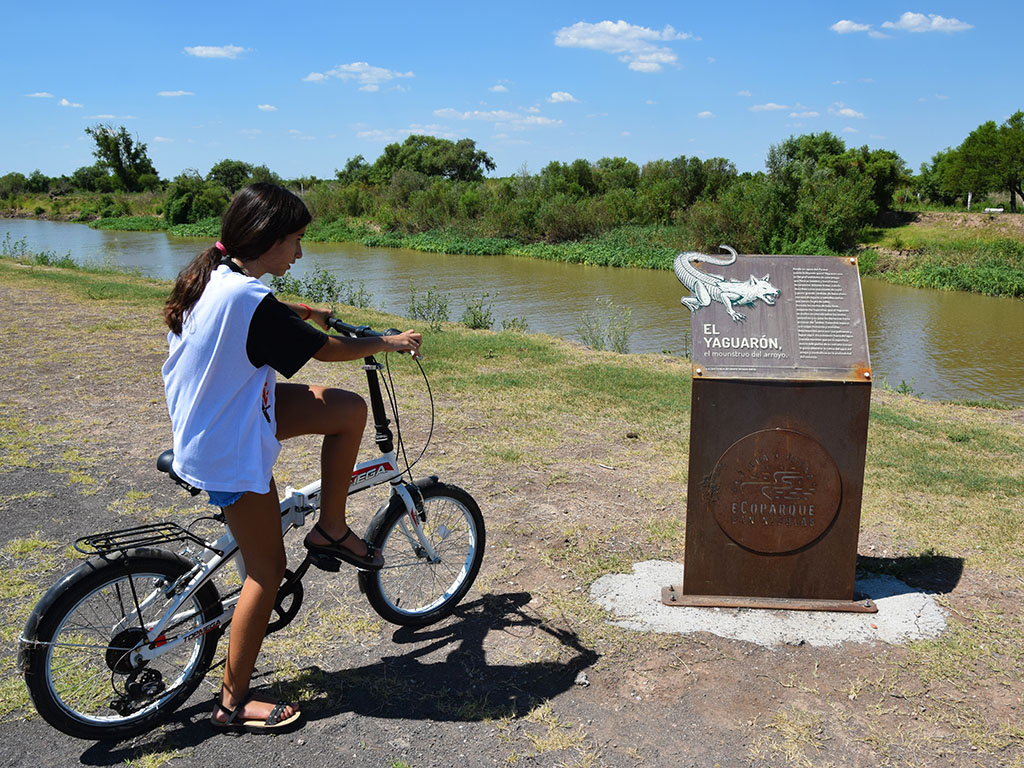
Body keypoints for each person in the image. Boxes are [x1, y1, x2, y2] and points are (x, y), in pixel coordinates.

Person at [161, 183, 421, 732]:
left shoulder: (215, 275)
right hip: (226, 442)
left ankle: (330, 527)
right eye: (296, 241)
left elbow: (270, 316)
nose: (300, 254)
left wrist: (307, 310)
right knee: (267, 571)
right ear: (269, 238)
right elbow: (323, 350)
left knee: (346, 410)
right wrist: (387, 342)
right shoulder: (247, 300)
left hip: (219, 414)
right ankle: (231, 705)